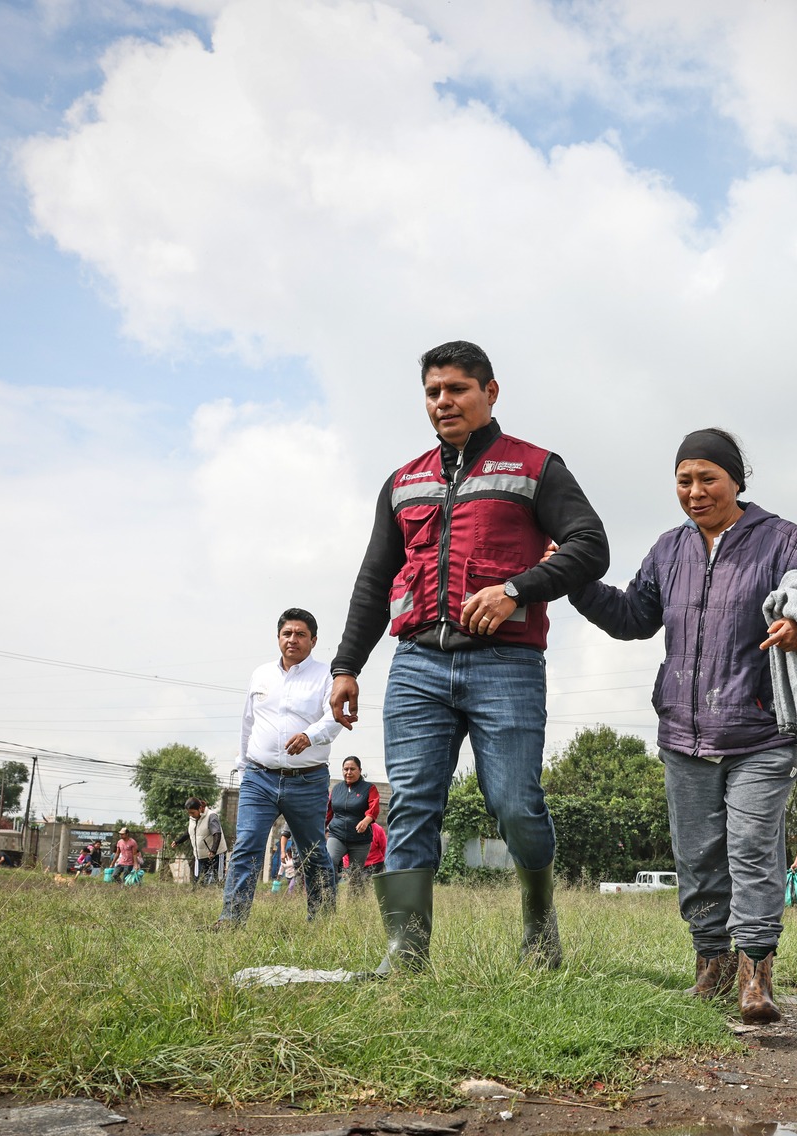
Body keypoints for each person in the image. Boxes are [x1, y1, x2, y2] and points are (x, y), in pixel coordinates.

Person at [329, 341, 609, 975]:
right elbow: (375, 580)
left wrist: (517, 589)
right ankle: (406, 954)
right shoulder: (403, 482)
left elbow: (591, 546)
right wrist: (347, 665)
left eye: (456, 389)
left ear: (490, 392)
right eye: (433, 392)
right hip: (417, 666)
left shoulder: (535, 467)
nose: (443, 402)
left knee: (515, 803)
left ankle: (540, 925)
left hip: (505, 666)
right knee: (411, 802)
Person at [568, 428, 797, 1024]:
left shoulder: (783, 541)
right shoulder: (669, 550)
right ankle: (710, 970)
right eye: (683, 481)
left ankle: (756, 976)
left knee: (750, 851)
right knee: (696, 857)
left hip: (762, 729)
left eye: (707, 479)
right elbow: (633, 617)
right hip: (684, 731)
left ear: (736, 480)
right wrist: (574, 584)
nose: (695, 492)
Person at [218, 609, 341, 927]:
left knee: (313, 852)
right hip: (258, 777)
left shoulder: (327, 676)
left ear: (313, 641)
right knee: (246, 846)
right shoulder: (261, 675)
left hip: (308, 780)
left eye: (300, 634)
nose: (293, 639)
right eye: (287, 633)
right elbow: (248, 722)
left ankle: (323, 923)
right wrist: (244, 766)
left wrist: (309, 735)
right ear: (278, 638)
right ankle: (232, 920)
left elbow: (333, 719)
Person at [325, 756, 379, 892]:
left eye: (352, 769)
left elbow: (374, 807)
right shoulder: (336, 789)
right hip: (337, 835)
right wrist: (320, 827)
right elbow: (328, 812)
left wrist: (366, 821)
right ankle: (329, 896)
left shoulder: (369, 788)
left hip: (360, 839)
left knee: (355, 875)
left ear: (360, 770)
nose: (348, 772)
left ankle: (354, 905)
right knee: (329, 862)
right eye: (345, 769)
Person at [187, 797, 226, 886]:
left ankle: (220, 896)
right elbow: (190, 832)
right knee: (198, 882)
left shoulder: (211, 816)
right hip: (200, 855)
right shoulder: (194, 818)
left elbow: (217, 833)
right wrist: (178, 841)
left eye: (192, 812)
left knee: (219, 880)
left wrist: (213, 850)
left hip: (216, 854)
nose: (190, 815)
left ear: (200, 808)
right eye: (189, 813)